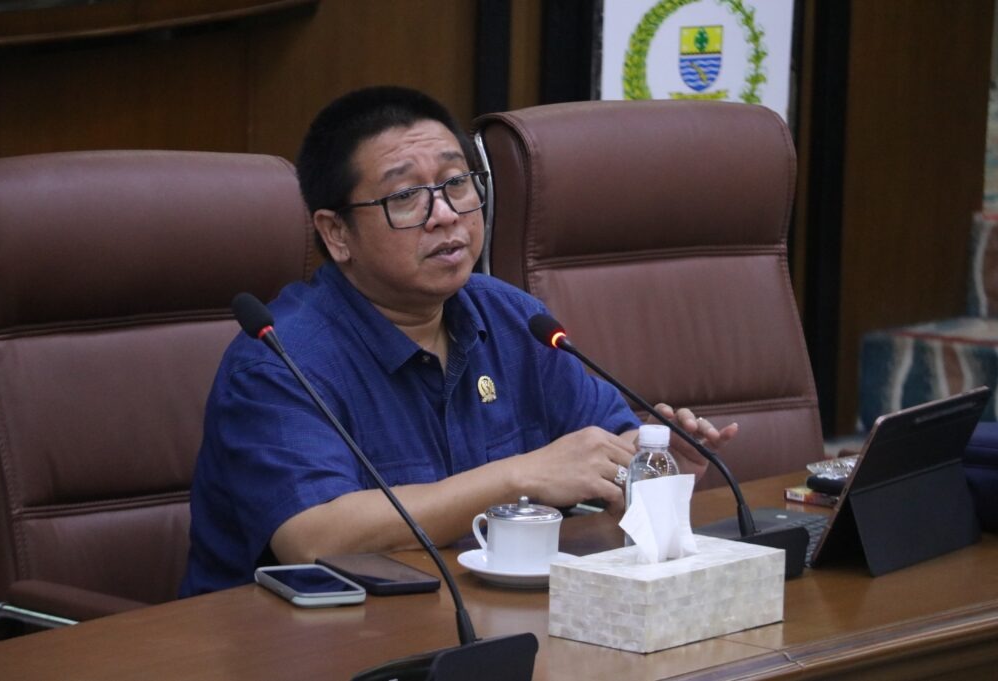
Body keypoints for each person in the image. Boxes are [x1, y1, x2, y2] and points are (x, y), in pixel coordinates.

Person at [179, 86, 738, 597]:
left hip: (485, 619)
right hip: (305, 641)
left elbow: (604, 443)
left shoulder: (514, 319)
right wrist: (518, 476)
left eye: (455, 184)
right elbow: (313, 537)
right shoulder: (279, 359)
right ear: (336, 233)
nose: (445, 215)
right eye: (405, 197)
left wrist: (648, 468)